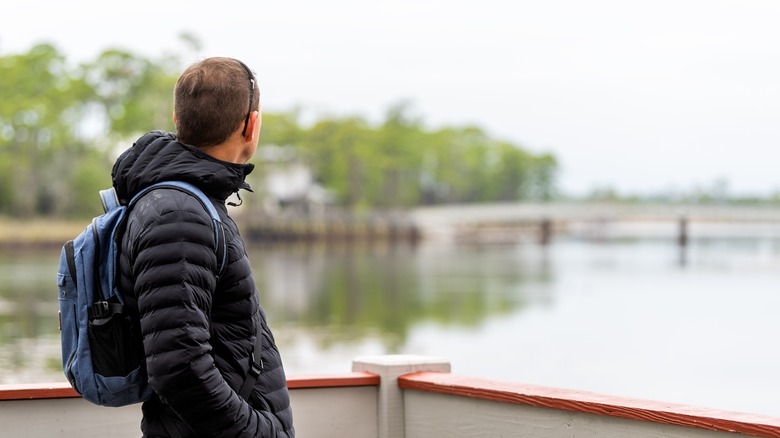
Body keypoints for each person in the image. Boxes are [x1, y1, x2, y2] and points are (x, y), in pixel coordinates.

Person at [111, 57, 295, 437]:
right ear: (251, 125)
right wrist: (261, 432)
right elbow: (178, 368)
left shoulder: (189, 203)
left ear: (178, 121)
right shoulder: (179, 215)